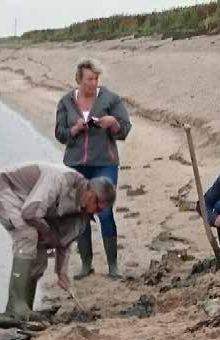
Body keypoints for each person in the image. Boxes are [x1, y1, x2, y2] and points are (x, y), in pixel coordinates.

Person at [0, 163, 116, 320]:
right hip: (3, 188)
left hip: (28, 204)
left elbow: (64, 241)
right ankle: (15, 306)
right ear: (90, 195)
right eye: (98, 208)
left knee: (39, 258)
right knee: (28, 234)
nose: (98, 213)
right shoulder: (60, 180)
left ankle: (25, 309)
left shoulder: (82, 212)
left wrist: (61, 272)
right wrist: (48, 234)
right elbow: (30, 213)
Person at [55, 58, 132, 280]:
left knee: (105, 211)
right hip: (75, 165)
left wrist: (113, 124)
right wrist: (75, 129)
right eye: (89, 79)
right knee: (82, 213)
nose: (93, 83)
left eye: (96, 78)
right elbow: (60, 134)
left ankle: (113, 266)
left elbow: (125, 129)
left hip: (104, 163)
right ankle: (86, 264)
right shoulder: (66, 102)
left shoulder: (110, 99)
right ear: (79, 79)